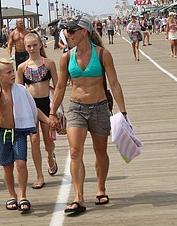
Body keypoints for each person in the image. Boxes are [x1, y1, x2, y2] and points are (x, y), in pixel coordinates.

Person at [48, 15, 127, 215]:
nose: (68, 34)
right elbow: (59, 87)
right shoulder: (66, 57)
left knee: (100, 151)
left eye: (72, 30)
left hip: (99, 108)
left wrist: (123, 111)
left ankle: (101, 189)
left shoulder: (102, 54)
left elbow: (115, 84)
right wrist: (52, 113)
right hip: (76, 108)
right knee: (75, 152)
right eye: (67, 31)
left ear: (85, 32)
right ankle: (78, 197)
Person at [0, 58, 48, 212]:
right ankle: (12, 195)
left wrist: (47, 120)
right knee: (7, 166)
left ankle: (22, 195)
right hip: (3, 132)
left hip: (19, 132)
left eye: (13, 71)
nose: (13, 74)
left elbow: (33, 108)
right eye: (9, 72)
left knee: (21, 163)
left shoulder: (21, 90)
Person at [17, 33, 59, 190]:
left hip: (46, 104)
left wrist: (55, 109)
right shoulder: (22, 67)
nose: (32, 48)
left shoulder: (49, 63)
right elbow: (20, 90)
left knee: (48, 142)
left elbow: (57, 86)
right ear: (25, 48)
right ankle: (39, 175)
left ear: (40, 45)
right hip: (30, 106)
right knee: (34, 140)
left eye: (35, 45)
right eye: (29, 46)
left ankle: (50, 157)